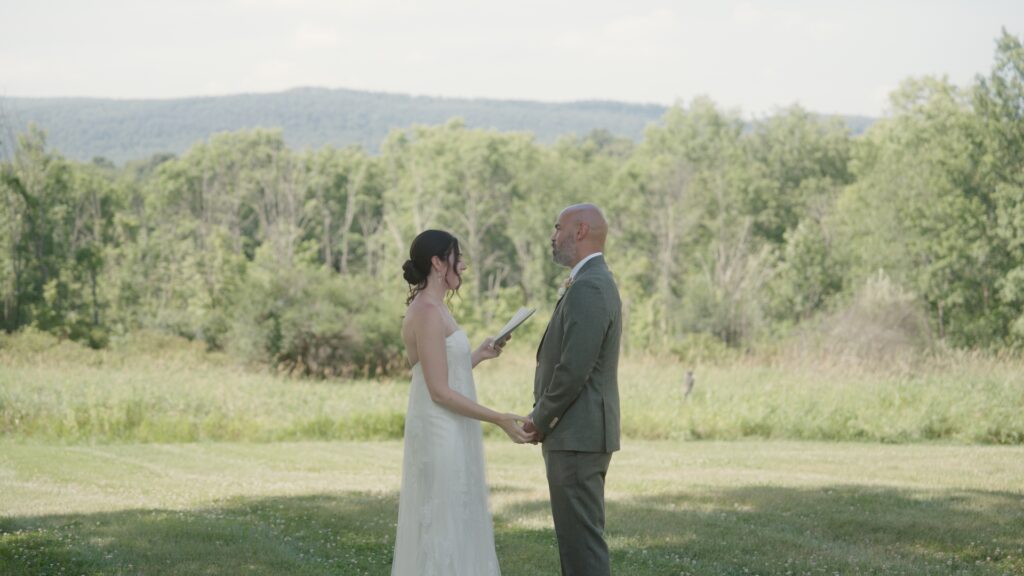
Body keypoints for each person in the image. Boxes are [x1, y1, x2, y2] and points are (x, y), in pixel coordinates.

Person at [391, 229, 535, 576]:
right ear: (438, 263)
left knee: (458, 516)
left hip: (451, 426)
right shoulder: (426, 311)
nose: (465, 265)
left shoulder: (436, 308)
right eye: (458, 257)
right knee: (444, 522)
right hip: (440, 430)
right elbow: (438, 391)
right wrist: (499, 418)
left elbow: (439, 373)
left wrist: (477, 356)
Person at [525, 204, 622, 576]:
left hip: (577, 435)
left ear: (580, 231)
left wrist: (540, 418)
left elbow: (574, 370)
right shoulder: (586, 281)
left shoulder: (591, 285)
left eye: (557, 227)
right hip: (574, 434)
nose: (552, 236)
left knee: (582, 546)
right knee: (575, 542)